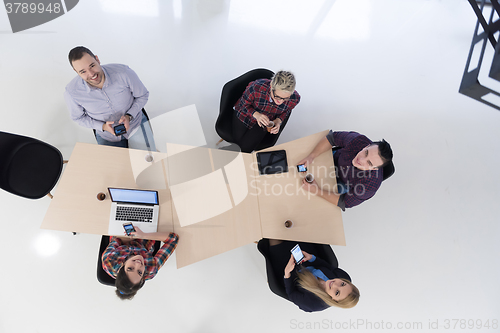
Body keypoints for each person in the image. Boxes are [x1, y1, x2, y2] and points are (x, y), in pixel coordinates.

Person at [64, 46, 156, 150]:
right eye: (83, 71)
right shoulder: (72, 92)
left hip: (135, 124)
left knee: (149, 161)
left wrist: (129, 116)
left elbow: (143, 95)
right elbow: (78, 117)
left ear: (97, 59)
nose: (91, 74)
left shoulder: (124, 72)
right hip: (106, 135)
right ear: (76, 71)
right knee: (115, 166)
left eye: (92, 65)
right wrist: (102, 127)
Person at [299, 131, 393, 210]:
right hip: (334, 159)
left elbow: (343, 201)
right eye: (366, 152)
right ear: (366, 146)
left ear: (374, 168)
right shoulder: (357, 140)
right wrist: (311, 156)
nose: (361, 160)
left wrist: (316, 190)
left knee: (311, 203)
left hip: (343, 183)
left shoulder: (368, 187)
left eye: (369, 163)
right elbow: (331, 138)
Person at [258, 239, 359, 312]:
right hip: (305, 258)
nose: (335, 284)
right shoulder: (344, 277)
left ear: (334, 301)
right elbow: (328, 266)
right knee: (293, 226)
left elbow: (291, 293)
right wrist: (312, 258)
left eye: (337, 292)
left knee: (273, 235)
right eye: (342, 284)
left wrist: (287, 273)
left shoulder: (313, 303)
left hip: (288, 271)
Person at [102, 227, 178, 300]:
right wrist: (143, 235)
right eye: (139, 272)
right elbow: (174, 239)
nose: (138, 264)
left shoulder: (109, 261)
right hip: (147, 236)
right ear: (143, 277)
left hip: (124, 234)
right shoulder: (150, 270)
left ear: (122, 267)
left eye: (130, 268)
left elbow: (117, 238)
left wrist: (132, 231)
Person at [233, 70, 300, 153]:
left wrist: (278, 121)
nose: (280, 102)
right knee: (237, 142)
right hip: (245, 117)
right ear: (271, 86)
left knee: (246, 149)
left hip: (264, 124)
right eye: (277, 97)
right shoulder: (256, 88)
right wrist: (256, 114)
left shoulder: (294, 98)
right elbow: (241, 105)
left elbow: (287, 111)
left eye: (285, 98)